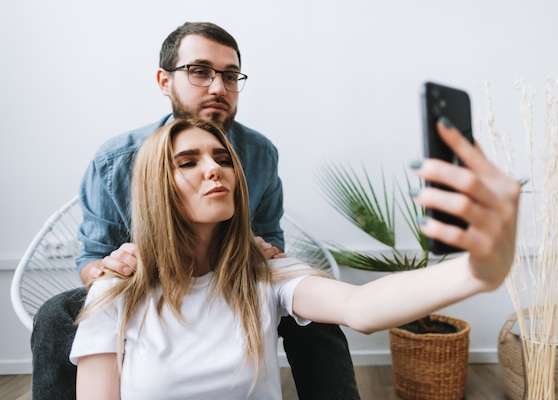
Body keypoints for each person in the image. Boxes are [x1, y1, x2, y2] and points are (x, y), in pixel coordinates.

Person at [70, 117, 521, 400]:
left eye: (221, 156)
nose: (214, 168)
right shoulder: (117, 292)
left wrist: (479, 271)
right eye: (187, 162)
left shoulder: (265, 273)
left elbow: (361, 309)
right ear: (156, 189)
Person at [30, 22, 359, 400]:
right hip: (144, 289)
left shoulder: (260, 153)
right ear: (164, 80)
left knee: (315, 316)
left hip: (230, 284)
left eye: (231, 75)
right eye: (200, 72)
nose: (219, 87)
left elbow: (271, 245)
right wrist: (114, 270)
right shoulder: (116, 160)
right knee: (57, 313)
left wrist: (257, 248)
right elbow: (91, 258)